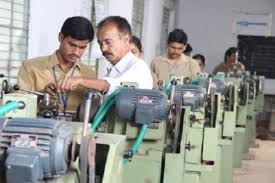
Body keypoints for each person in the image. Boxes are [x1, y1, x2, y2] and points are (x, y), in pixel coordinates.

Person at [17, 16, 96, 113]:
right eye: (72, 45)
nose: (76, 52)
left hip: (76, 127)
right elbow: (18, 103)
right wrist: (42, 95)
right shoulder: (30, 67)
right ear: (60, 37)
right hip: (39, 127)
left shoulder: (90, 74)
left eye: (82, 48)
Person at [57, 16, 153, 95]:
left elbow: (112, 87)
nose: (103, 49)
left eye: (108, 42)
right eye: (100, 43)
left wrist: (79, 80)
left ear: (125, 40)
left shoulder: (139, 68)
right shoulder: (111, 69)